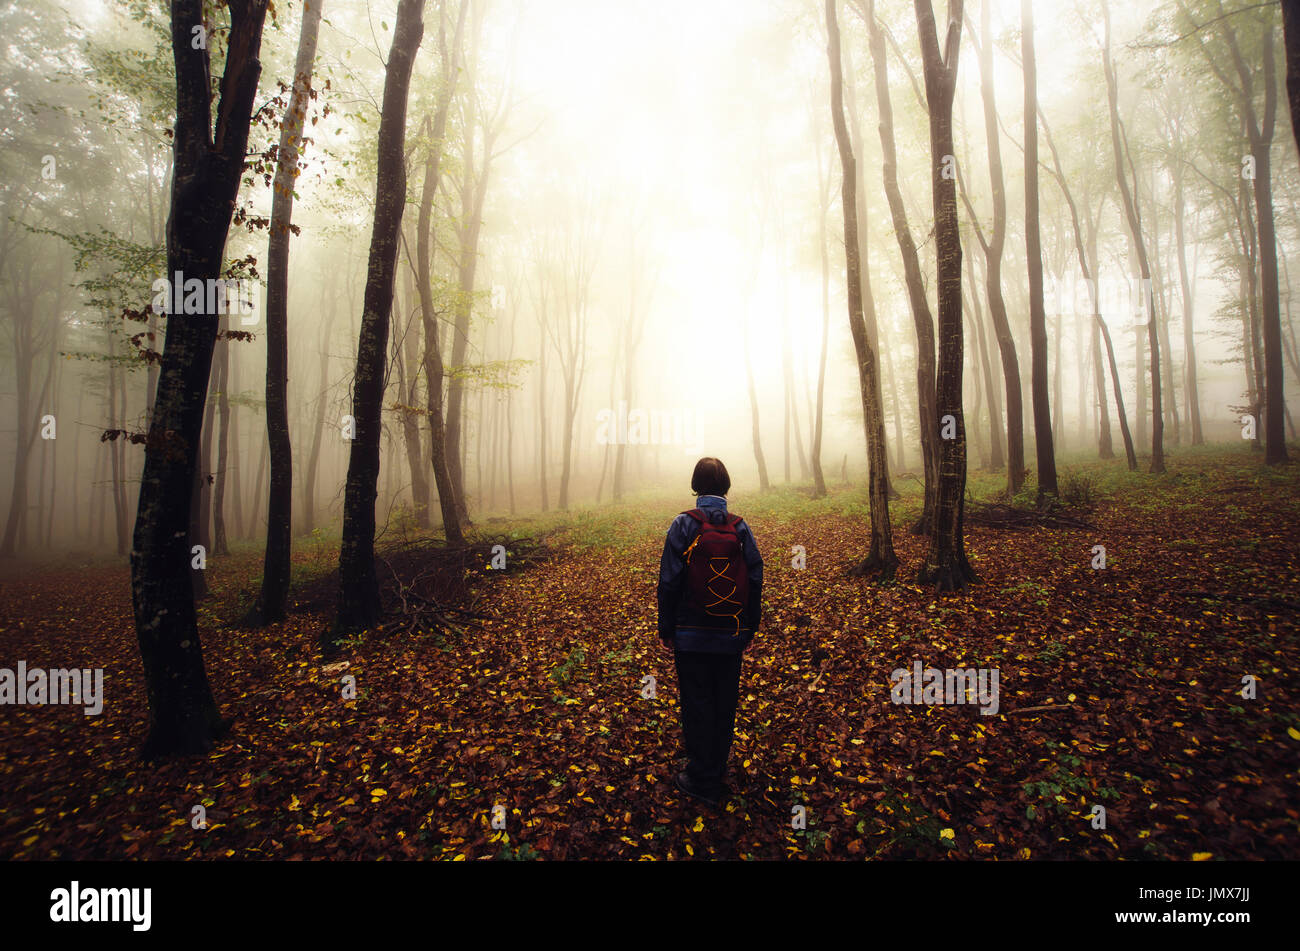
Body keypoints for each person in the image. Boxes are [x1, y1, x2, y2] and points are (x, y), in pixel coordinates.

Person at [656, 456, 763, 806]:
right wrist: (749, 628)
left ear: (696, 485)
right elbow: (756, 577)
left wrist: (667, 627)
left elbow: (669, 579)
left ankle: (701, 775)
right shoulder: (740, 527)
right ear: (726, 485)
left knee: (697, 700)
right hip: (730, 634)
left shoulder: (683, 525)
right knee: (724, 701)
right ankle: (715, 769)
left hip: (690, 632)